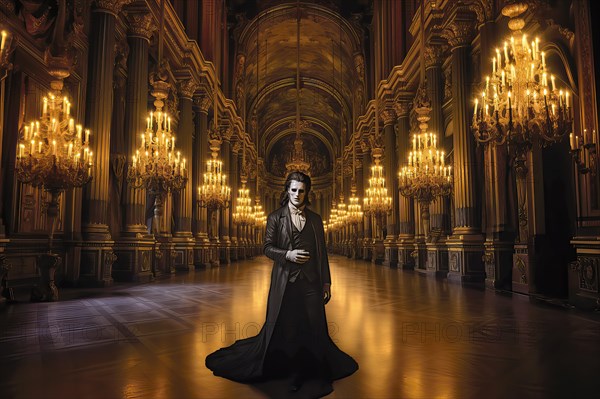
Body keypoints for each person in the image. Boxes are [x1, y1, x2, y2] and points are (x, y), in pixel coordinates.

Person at [206, 171, 358, 395]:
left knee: (314, 326)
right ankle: (290, 369)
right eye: (294, 190)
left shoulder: (316, 220)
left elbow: (321, 254)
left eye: (301, 190)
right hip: (284, 282)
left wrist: (326, 282)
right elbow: (266, 248)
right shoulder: (275, 217)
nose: (297, 194)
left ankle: (313, 368)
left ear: (307, 193)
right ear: (287, 191)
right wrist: (288, 254)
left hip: (311, 283)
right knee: (287, 328)